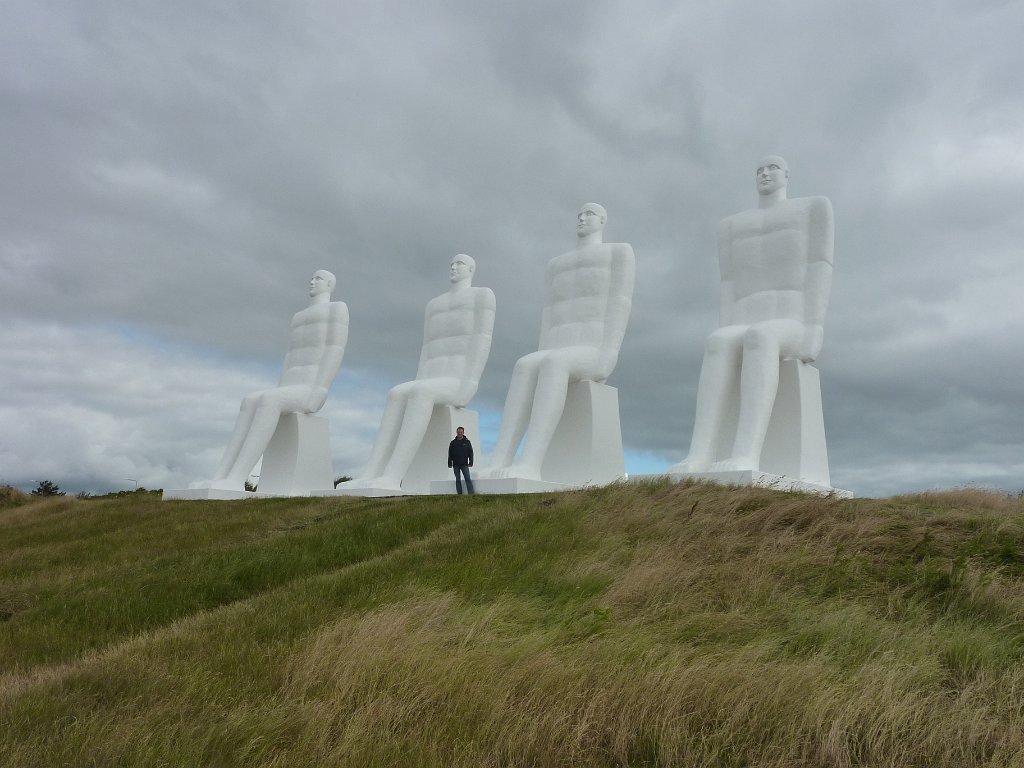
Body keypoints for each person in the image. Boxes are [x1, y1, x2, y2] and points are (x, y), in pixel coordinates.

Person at [670, 155, 834, 474]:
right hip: (744, 319)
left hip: (792, 322)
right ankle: (700, 454)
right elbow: (729, 283)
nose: (765, 173)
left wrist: (814, 328)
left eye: (772, 167)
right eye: (759, 170)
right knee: (718, 340)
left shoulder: (813, 207)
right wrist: (727, 329)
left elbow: (819, 267)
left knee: (762, 335)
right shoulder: (731, 226)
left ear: (788, 174)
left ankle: (746, 453)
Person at [484, 204, 635, 481]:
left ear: (602, 220)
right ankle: (499, 458)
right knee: (526, 364)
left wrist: (608, 354)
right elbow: (549, 315)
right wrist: (541, 351)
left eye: (589, 213)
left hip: (591, 349)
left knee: (554, 362)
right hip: (558, 346)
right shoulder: (557, 264)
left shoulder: (618, 252)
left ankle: (531, 462)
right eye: (579, 213)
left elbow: (620, 303)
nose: (582, 217)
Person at [191, 270, 348, 491]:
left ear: (330, 284)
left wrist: (321, 388)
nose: (312, 281)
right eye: (312, 277)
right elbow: (290, 355)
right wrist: (280, 387)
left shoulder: (336, 309)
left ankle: (236, 477)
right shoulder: (299, 317)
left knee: (268, 399)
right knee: (249, 400)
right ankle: (221, 476)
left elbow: (335, 348)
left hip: (309, 387)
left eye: (318, 278)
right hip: (289, 386)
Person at [349, 255, 495, 491]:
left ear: (470, 269)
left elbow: (482, 340)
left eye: (459, 264)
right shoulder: (434, 305)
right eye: (451, 264)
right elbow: (427, 350)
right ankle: (371, 472)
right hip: (430, 377)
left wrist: (470, 382)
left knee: (420, 392)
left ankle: (393, 475)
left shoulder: (482, 296)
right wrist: (418, 379)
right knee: (397, 393)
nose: (453, 267)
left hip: (455, 380)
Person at [447, 426, 474, 494]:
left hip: (464, 464)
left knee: (467, 478)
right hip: (456, 465)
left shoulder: (467, 442)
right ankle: (459, 494)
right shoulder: (452, 443)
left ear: (463, 433)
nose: (460, 433)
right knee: (458, 480)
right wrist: (449, 463)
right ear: (457, 432)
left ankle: (471, 493)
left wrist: (471, 462)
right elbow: (450, 453)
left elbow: (470, 452)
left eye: (461, 432)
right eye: (459, 432)